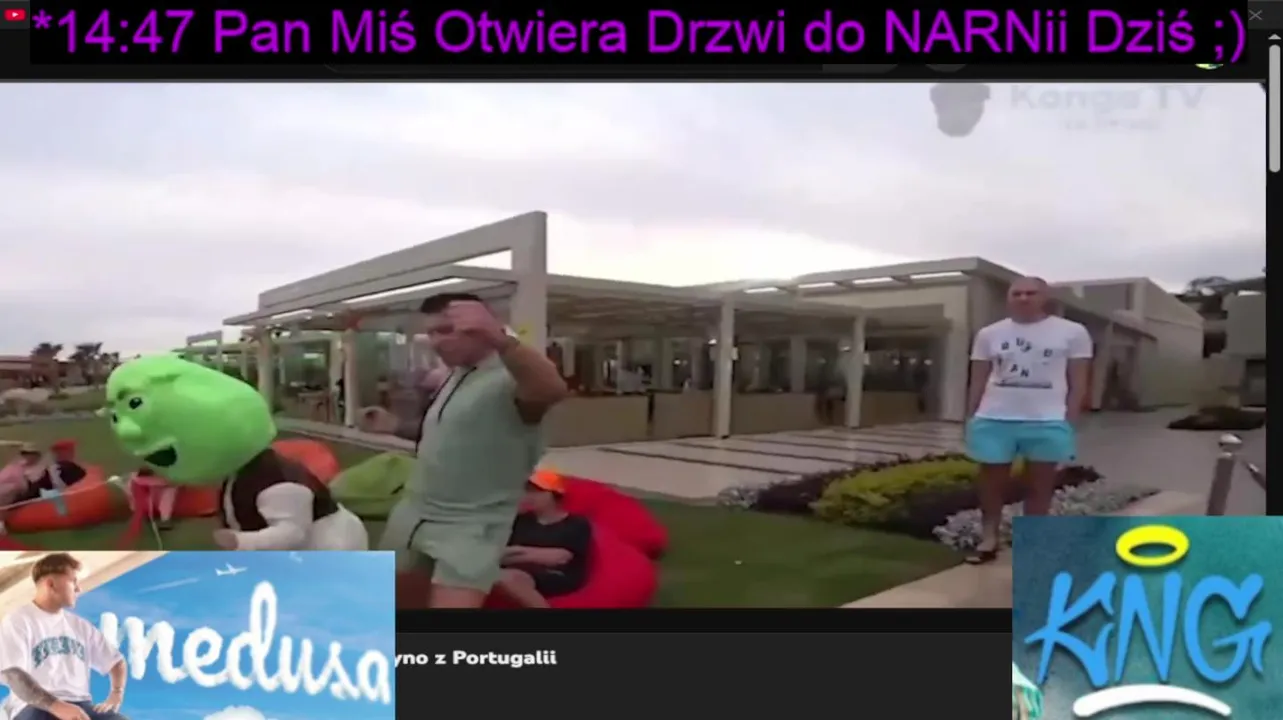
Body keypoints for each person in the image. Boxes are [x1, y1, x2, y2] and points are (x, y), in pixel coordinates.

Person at [359, 293, 569, 608]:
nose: (436, 342)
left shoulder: (509, 377)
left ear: (484, 326)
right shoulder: (457, 374)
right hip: (414, 513)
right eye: (431, 333)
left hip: (470, 526)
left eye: (447, 330)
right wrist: (395, 426)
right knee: (391, 609)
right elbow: (452, 432)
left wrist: (500, 339)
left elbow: (551, 390)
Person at [102, 354, 368, 551]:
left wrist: (242, 541)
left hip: (327, 552)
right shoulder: (240, 471)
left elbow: (293, 532)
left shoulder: (278, 481)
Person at [964, 277, 1092, 564]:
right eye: (1017, 293)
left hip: (1047, 421)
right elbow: (978, 379)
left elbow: (1079, 382)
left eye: (1030, 293)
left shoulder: (1072, 332)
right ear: (1009, 297)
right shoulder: (989, 334)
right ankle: (989, 539)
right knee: (991, 485)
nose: (1023, 298)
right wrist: (971, 418)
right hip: (994, 419)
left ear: (1044, 297)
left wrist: (1069, 421)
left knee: (1039, 487)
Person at [0, 553, 129, 720]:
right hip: (34, 706)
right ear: (51, 584)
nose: (78, 588)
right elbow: (12, 674)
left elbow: (116, 662)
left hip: (81, 704)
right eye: (73, 581)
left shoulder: (81, 626)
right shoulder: (18, 620)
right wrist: (56, 706)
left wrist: (116, 692)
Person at [497, 471, 592, 608]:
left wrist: (517, 551)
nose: (530, 496)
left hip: (557, 575)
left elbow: (559, 558)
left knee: (505, 577)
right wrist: (528, 554)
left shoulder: (576, 523)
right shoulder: (521, 520)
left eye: (538, 491)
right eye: (528, 491)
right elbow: (500, 556)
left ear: (554, 494)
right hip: (520, 573)